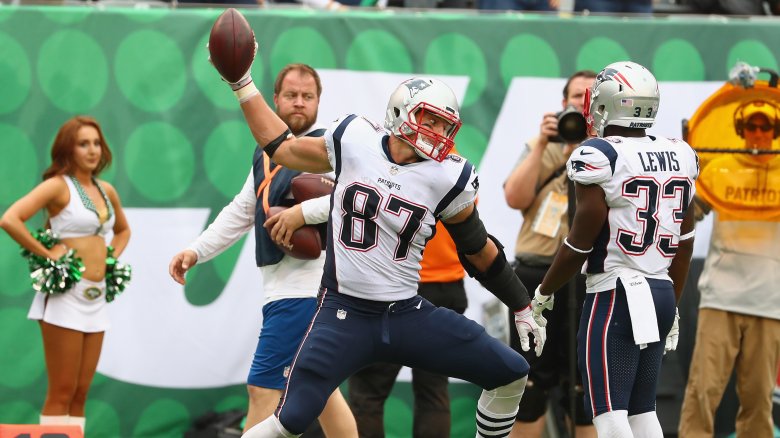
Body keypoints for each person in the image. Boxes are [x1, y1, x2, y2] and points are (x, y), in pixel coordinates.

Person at [212, 31, 546, 438]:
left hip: (406, 313)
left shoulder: (449, 175)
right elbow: (282, 148)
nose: (439, 131)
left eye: (445, 124)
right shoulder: (353, 138)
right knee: (291, 418)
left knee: (511, 373)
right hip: (342, 314)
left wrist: (521, 303)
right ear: (401, 113)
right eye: (431, 119)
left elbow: (477, 250)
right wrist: (242, 85)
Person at [168, 64, 357, 437]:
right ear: (275, 100)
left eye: (308, 96)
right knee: (323, 392)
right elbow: (241, 211)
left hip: (306, 292)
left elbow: (351, 199)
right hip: (292, 292)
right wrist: (196, 251)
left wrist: (302, 213)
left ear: (319, 101)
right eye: (291, 95)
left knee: (262, 389)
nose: (299, 103)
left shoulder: (329, 148)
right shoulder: (265, 152)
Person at [531, 61, 699, 436]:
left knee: (609, 414)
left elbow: (579, 241)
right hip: (659, 289)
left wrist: (544, 291)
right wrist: (672, 301)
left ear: (606, 104)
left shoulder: (600, 154)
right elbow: (685, 244)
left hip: (616, 293)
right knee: (643, 411)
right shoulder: (680, 153)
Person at [0, 116, 131, 433]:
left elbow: (123, 230)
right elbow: (10, 219)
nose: (92, 150)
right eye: (83, 143)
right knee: (61, 390)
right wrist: (49, 253)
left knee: (81, 392)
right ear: (67, 149)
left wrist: (109, 257)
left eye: (96, 143)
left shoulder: (106, 190)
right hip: (64, 298)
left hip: (96, 298)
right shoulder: (58, 186)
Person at [503, 70, 596, 438]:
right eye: (576, 96)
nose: (582, 103)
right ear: (563, 103)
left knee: (585, 388)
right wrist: (542, 143)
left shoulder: (612, 150)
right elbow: (514, 198)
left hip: (589, 279)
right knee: (529, 385)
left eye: (591, 97)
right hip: (536, 275)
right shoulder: (542, 145)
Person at [678, 100, 780, 438]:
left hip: (769, 300)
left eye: (766, 127)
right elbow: (689, 215)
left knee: (758, 400)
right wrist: (685, 177)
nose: (759, 133)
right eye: (752, 126)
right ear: (741, 131)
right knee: (702, 392)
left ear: (775, 132)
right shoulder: (721, 169)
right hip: (720, 296)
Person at [347, 218, 468, 438]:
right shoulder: (463, 181)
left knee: (368, 392)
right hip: (445, 284)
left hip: (395, 284)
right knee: (433, 389)